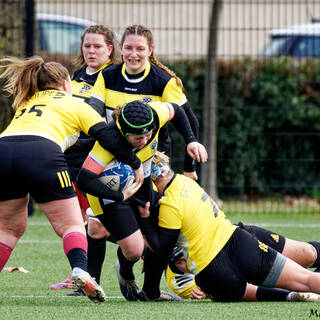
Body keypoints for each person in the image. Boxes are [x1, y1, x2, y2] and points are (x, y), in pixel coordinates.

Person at [0, 56, 143, 304]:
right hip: (42, 152)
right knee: (72, 224)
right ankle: (79, 269)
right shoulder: (74, 102)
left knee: (7, 229)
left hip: (4, 150)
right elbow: (107, 136)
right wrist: (135, 162)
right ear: (67, 83)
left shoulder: (26, 101)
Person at [79, 23, 203, 298]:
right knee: (100, 227)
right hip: (113, 156)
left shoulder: (162, 81)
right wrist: (124, 156)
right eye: (129, 48)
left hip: (154, 158)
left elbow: (187, 118)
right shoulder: (107, 75)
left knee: (161, 222)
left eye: (140, 49)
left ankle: (154, 286)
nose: (133, 54)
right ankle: (91, 282)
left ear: (150, 51)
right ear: (120, 49)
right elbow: (93, 115)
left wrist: (189, 166)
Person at [138, 151, 320, 302]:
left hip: (212, 273)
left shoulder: (168, 204)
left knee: (300, 264)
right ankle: (291, 294)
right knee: (305, 279)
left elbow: (161, 249)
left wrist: (145, 221)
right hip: (239, 244)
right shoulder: (187, 182)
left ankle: (289, 295)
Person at [77, 100, 207, 301]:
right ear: (125, 133)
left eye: (149, 134)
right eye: (138, 137)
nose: (145, 140)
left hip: (141, 182)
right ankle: (125, 270)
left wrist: (191, 140)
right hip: (108, 197)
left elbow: (178, 110)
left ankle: (151, 293)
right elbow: (84, 179)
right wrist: (120, 195)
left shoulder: (155, 114)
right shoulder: (108, 142)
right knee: (135, 251)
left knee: (164, 229)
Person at [50, 25, 122, 294]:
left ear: (110, 50)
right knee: (80, 220)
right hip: (69, 158)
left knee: (95, 223)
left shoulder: (112, 79)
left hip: (93, 161)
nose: (91, 51)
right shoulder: (78, 75)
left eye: (98, 47)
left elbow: (105, 127)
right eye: (87, 46)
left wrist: (75, 143)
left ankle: (148, 246)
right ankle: (84, 278)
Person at [166, 246, 320, 302]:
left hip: (233, 242)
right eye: (179, 262)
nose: (187, 263)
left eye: (185, 257)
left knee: (307, 254)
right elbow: (207, 290)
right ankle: (292, 295)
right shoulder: (177, 280)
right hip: (223, 264)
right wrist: (206, 293)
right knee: (237, 287)